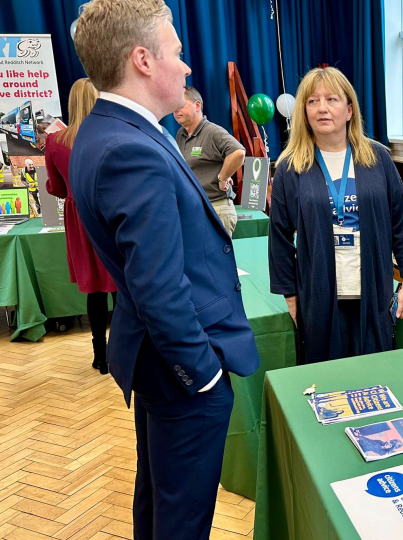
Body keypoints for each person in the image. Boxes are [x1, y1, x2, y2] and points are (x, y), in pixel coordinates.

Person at [70, 1, 260, 538]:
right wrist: (202, 375)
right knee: (180, 520)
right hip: (180, 371)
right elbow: (157, 288)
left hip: (154, 360)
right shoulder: (131, 147)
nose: (187, 66)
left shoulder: (109, 130)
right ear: (143, 60)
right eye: (176, 52)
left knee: (157, 504)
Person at [269, 67, 403, 364]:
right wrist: (290, 296)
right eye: (312, 101)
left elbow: (400, 222)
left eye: (332, 99)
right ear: (303, 112)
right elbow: (280, 236)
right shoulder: (291, 167)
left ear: (349, 110)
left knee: (375, 369)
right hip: (318, 290)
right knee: (327, 374)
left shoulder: (378, 158)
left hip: (373, 286)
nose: (322, 108)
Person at [45, 78, 118, 375]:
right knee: (120, 286)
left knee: (95, 291)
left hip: (81, 219)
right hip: (112, 216)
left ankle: (100, 356)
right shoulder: (111, 134)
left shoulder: (55, 142)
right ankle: (128, 349)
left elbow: (57, 188)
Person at [174, 85, 246, 236]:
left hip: (216, 209)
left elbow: (238, 152)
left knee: (217, 259)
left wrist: (223, 177)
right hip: (193, 209)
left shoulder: (212, 132)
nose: (176, 110)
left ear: (197, 105)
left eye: (180, 105)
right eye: (174, 106)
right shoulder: (180, 134)